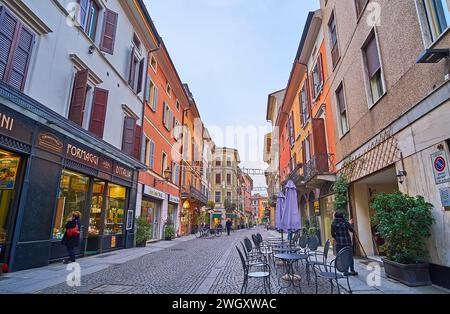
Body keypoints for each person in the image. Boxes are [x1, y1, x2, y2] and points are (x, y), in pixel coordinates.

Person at [331, 212, 358, 276]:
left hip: (339, 243)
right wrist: (350, 224)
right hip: (347, 242)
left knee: (343, 256)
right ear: (342, 216)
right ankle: (352, 270)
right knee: (350, 256)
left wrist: (337, 238)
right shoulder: (345, 223)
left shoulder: (333, 224)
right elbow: (351, 230)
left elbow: (332, 234)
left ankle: (345, 271)